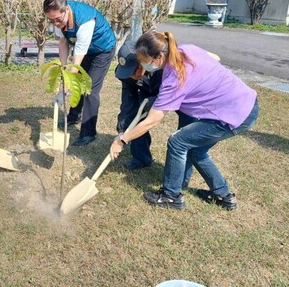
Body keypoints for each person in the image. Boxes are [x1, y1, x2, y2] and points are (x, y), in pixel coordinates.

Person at [110, 31, 259, 211]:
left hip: (233, 114)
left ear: (158, 57)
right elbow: (214, 57)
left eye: (144, 61)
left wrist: (122, 140)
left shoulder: (174, 78)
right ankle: (224, 196)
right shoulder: (186, 50)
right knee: (196, 151)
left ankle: (171, 196)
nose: (142, 64)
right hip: (245, 104)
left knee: (178, 142)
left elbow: (153, 120)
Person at [43, 0, 116, 146]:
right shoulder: (58, 19)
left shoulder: (84, 22)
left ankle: (88, 133)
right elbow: (63, 43)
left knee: (89, 89)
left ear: (66, 10)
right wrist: (63, 69)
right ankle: (73, 116)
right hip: (85, 50)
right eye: (51, 20)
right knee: (75, 81)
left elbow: (76, 61)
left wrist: (65, 88)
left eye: (58, 19)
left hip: (102, 50)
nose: (55, 23)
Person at [115, 40, 162, 170]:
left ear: (143, 62)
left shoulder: (160, 68)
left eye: (133, 71)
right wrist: (122, 129)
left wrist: (153, 102)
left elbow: (167, 94)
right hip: (147, 90)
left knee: (183, 135)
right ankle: (141, 158)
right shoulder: (127, 74)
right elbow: (128, 101)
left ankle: (181, 176)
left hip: (176, 95)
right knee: (133, 118)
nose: (131, 75)